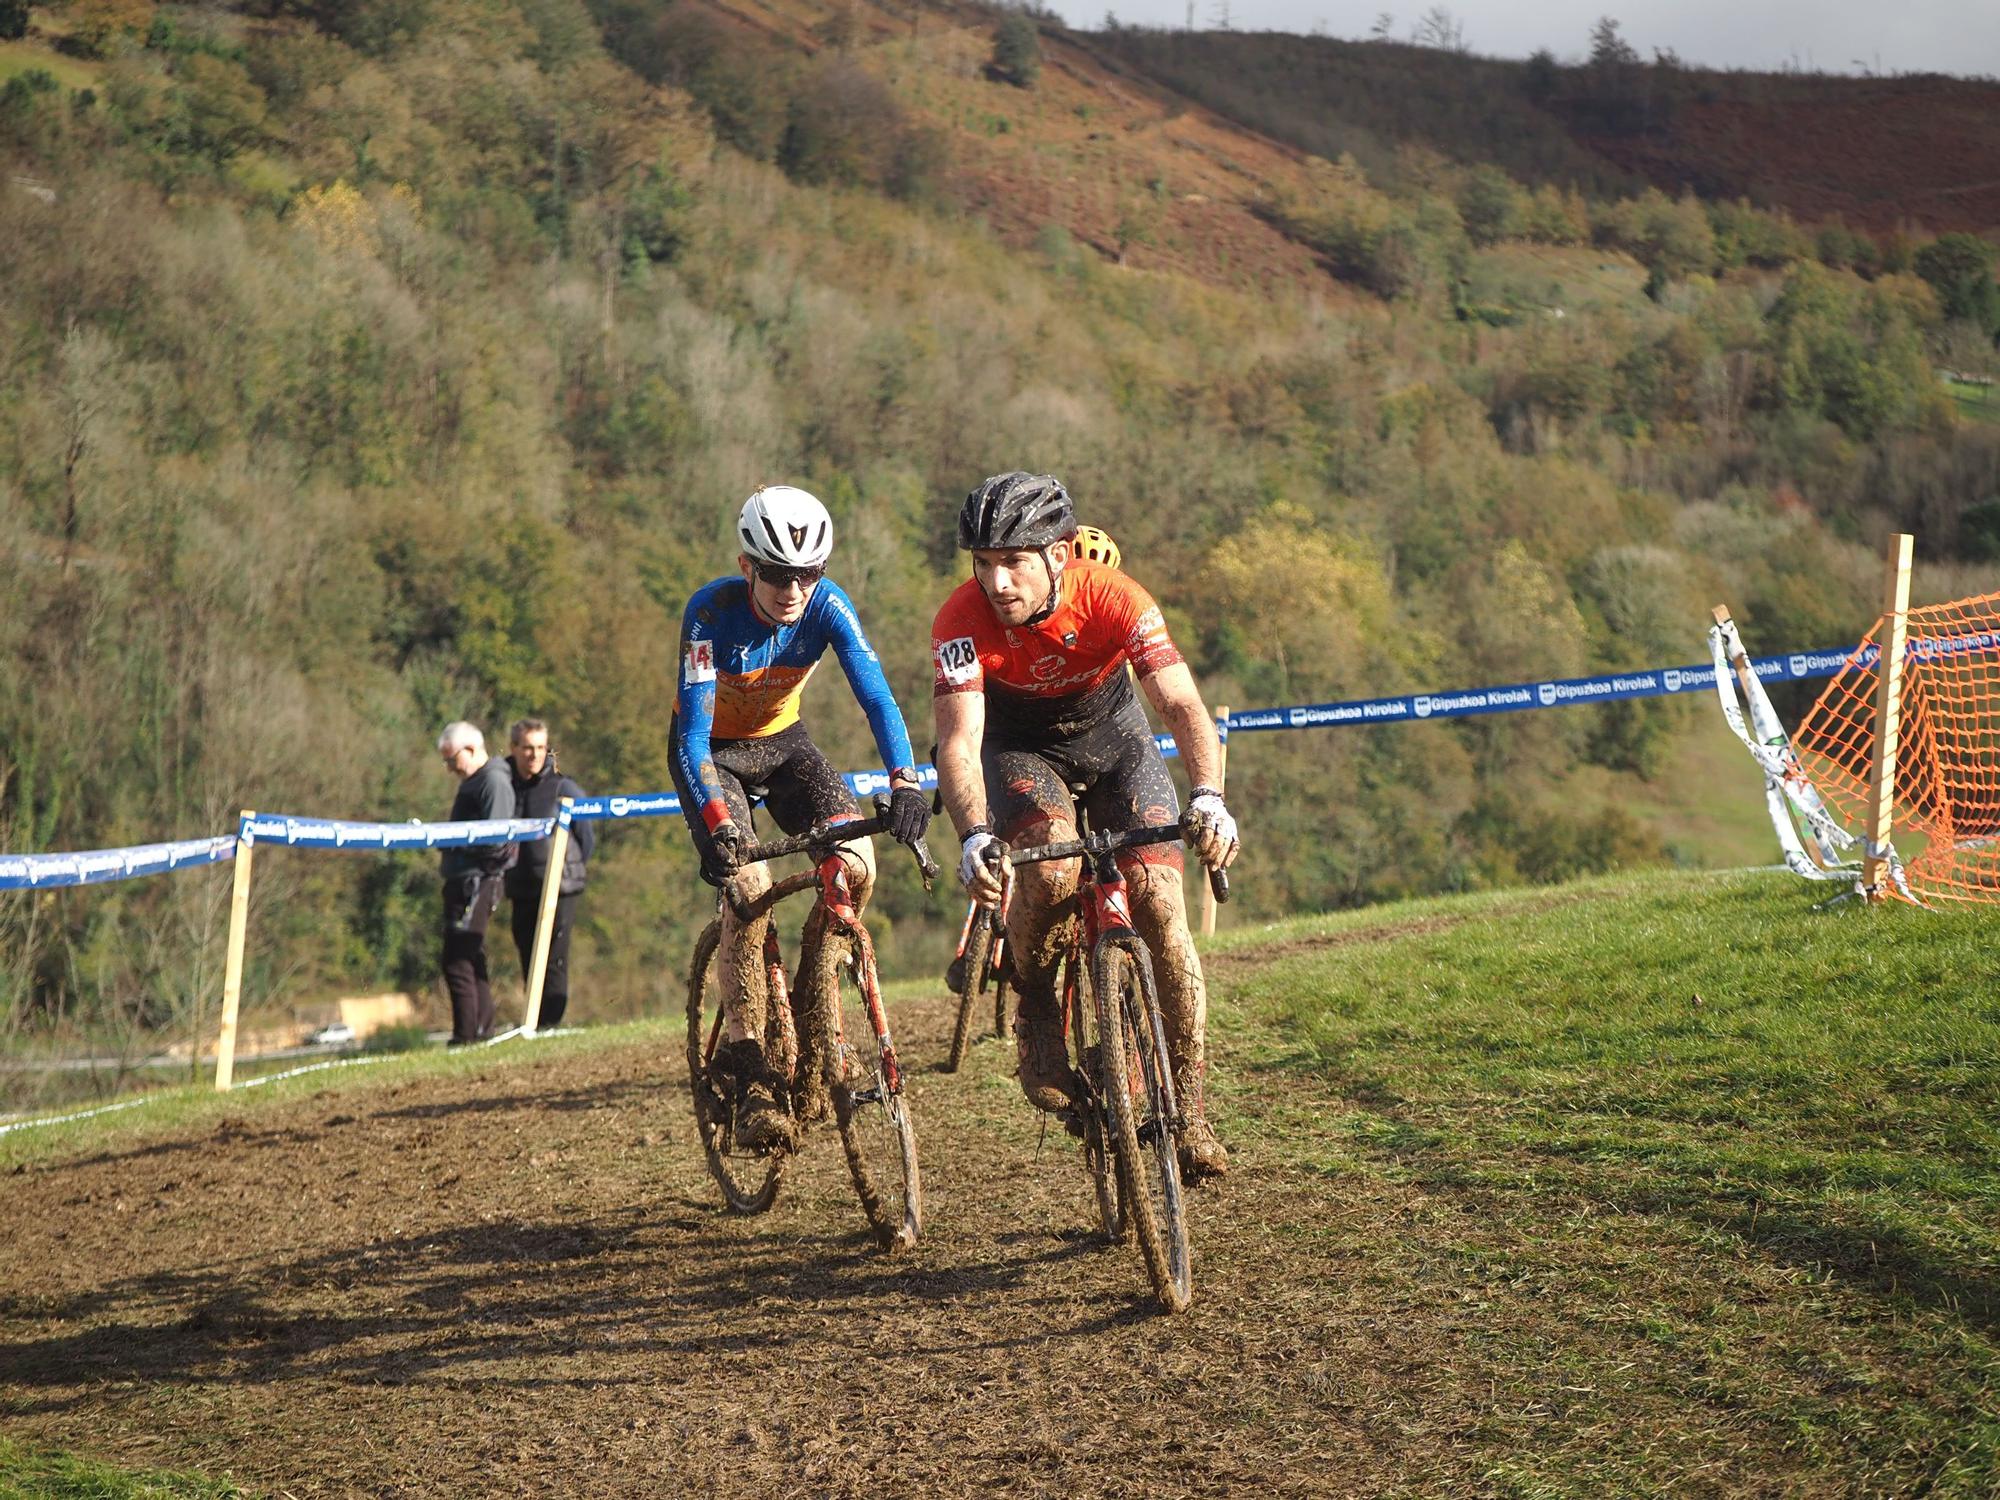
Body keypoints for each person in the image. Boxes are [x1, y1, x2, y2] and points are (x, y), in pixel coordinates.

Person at [931, 472, 1241, 1181]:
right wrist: (976, 833)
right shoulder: (958, 623)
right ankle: (1038, 1013)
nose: (997, 581)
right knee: (1047, 865)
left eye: (1014, 560)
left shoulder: (1116, 598)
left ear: (1061, 554)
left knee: (1161, 905)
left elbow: (1182, 707)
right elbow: (958, 740)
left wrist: (1210, 796)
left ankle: (1188, 1099)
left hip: (1116, 741)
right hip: (1019, 749)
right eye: (983, 563)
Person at [671, 484, 932, 1152]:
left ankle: (816, 990)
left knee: (856, 862)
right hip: (714, 758)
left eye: (809, 575)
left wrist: (905, 778)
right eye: (780, 575)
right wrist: (719, 820)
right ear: (747, 566)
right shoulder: (710, 614)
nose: (795, 590)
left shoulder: (829, 607)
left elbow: (875, 696)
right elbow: (695, 740)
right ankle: (746, 1055)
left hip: (785, 743)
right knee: (750, 889)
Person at [505, 718, 595, 1030]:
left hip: (561, 886)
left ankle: (550, 1024)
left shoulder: (563, 786)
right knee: (528, 955)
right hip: (520, 886)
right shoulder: (505, 785)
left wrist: (565, 871)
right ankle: (533, 1022)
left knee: (554, 957)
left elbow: (587, 839)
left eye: (541, 747)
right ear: (514, 748)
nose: (534, 754)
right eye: (528, 747)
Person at [437, 721, 516, 1046]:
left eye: (452, 759)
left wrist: (457, 845)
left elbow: (496, 840)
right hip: (464, 879)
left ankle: (466, 1035)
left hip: (477, 881)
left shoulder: (492, 781)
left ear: (470, 749)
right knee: (470, 955)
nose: (449, 768)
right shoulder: (475, 782)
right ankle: (482, 1031)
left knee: (457, 958)